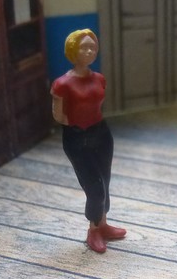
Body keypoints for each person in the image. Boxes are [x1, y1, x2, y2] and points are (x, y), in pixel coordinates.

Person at [50, 29, 127, 253]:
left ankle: (102, 223)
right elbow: (58, 115)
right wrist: (77, 125)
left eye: (92, 47)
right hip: (77, 138)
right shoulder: (62, 84)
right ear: (73, 50)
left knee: (105, 180)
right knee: (94, 187)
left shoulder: (99, 78)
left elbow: (97, 104)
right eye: (84, 47)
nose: (89, 51)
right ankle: (93, 230)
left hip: (101, 133)